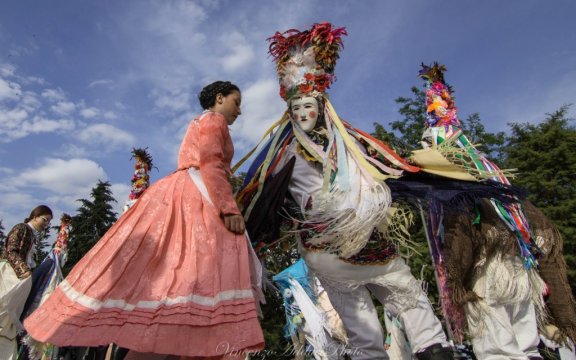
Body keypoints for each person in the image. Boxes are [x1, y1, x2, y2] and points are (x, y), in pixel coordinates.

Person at [238, 23, 453, 360]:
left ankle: (429, 347)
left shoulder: (346, 143)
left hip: (362, 238)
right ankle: (427, 344)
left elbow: (386, 170)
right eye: (296, 109)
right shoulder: (283, 153)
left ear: (322, 106)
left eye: (308, 106)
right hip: (332, 244)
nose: (302, 114)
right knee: (378, 310)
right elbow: (258, 196)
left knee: (397, 299)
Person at [23, 81, 265, 359]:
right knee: (203, 267)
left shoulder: (197, 121)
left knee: (172, 271)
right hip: (197, 192)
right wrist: (228, 208)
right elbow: (211, 162)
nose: (240, 111)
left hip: (177, 192)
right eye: (237, 103)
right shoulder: (215, 121)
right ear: (220, 98)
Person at [0, 205, 53, 359]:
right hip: (10, 274)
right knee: (5, 306)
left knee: (10, 317)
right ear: (35, 216)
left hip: (19, 277)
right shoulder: (21, 228)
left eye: (48, 222)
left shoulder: (32, 235)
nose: (46, 224)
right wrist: (23, 271)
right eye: (44, 219)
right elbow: (11, 249)